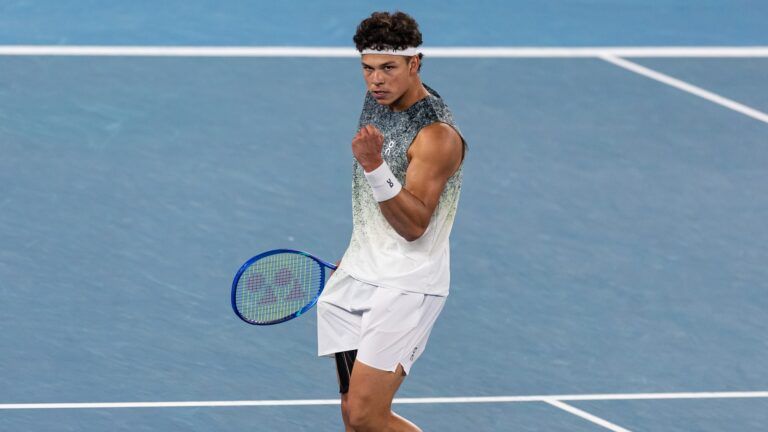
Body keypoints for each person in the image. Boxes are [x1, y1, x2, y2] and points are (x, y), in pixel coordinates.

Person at [317, 11, 466, 431]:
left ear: (414, 64)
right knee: (352, 414)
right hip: (358, 274)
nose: (375, 80)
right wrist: (357, 254)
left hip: (406, 285)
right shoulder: (377, 99)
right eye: (367, 69)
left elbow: (415, 223)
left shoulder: (437, 135)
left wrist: (374, 165)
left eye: (388, 68)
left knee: (367, 416)